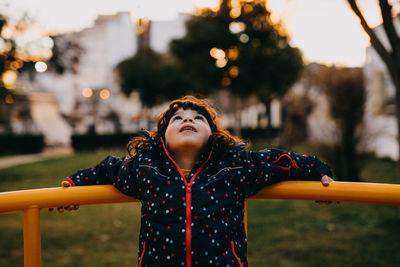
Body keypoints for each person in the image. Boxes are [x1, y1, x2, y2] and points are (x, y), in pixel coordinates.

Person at [54, 96, 333, 267]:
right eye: (178, 118)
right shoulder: (146, 168)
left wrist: (318, 171)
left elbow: (279, 162)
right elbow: (108, 169)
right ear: (162, 137)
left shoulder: (233, 167)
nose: (188, 118)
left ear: (213, 134)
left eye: (198, 118)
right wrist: (74, 185)